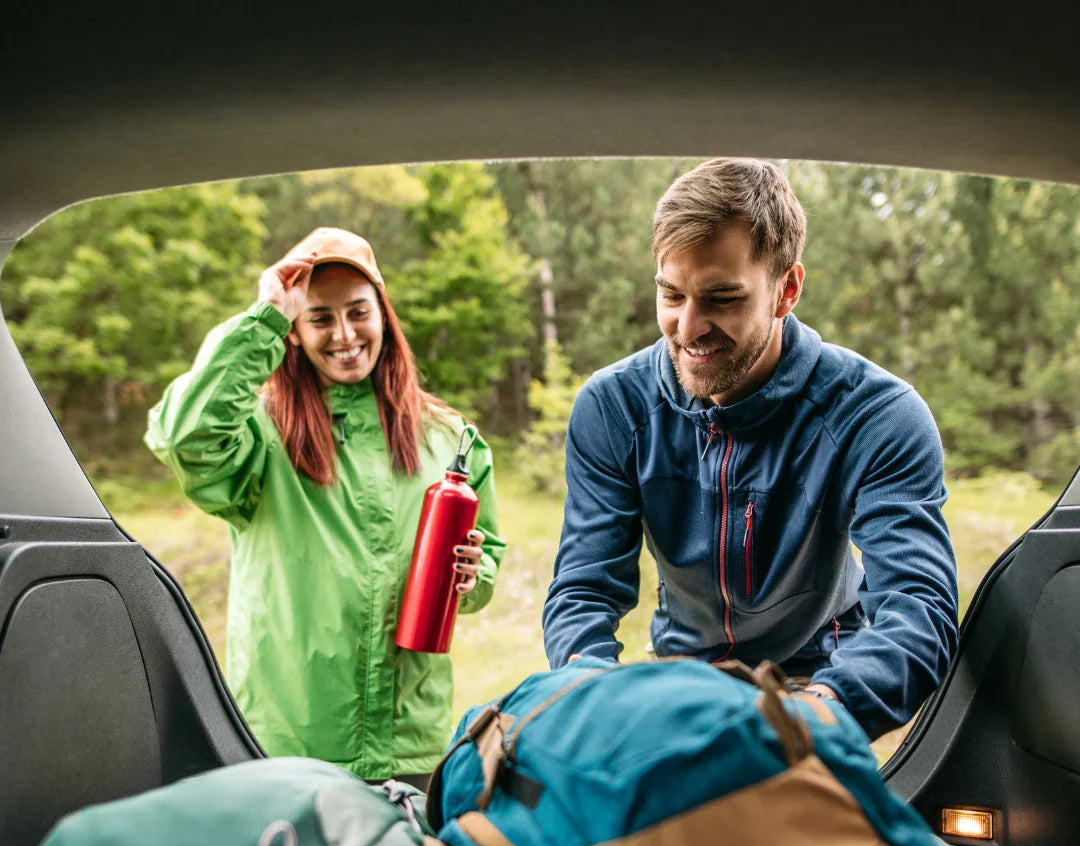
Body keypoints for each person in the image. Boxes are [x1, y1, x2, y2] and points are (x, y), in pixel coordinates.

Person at [542, 159, 957, 739]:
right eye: (671, 294)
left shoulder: (877, 414)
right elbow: (585, 588)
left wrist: (813, 717)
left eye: (721, 299)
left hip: (824, 678)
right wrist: (595, 697)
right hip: (684, 679)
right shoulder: (613, 407)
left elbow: (918, 609)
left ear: (786, 290)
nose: (688, 329)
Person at [146, 227, 505, 785]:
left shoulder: (448, 437)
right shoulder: (260, 433)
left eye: (358, 312)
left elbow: (485, 565)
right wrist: (264, 316)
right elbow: (183, 434)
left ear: (383, 314)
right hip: (286, 741)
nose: (344, 334)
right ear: (293, 332)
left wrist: (470, 573)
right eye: (319, 318)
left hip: (411, 742)